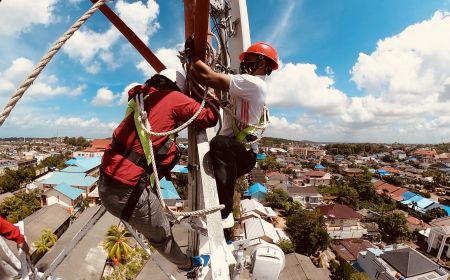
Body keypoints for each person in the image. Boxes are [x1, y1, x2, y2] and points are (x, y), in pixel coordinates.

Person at [98, 69, 219, 272]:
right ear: (177, 88)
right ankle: (188, 265)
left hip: (106, 185)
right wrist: (213, 97)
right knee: (162, 235)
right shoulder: (173, 98)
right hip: (128, 194)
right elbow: (209, 117)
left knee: (171, 150)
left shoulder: (142, 100)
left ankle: (153, 204)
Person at [185, 40, 279, 228]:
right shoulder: (245, 86)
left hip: (240, 154)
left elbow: (207, 76)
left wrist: (191, 56)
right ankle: (214, 210)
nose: (245, 63)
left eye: (250, 59)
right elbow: (215, 87)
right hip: (236, 152)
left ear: (262, 63)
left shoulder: (253, 84)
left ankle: (224, 213)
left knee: (219, 143)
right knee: (217, 149)